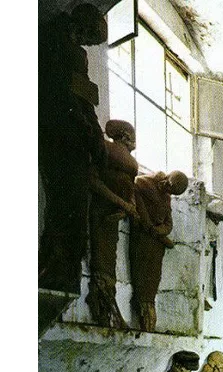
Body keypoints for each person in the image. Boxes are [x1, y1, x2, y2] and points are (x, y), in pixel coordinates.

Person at [39, 4, 108, 293]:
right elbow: (51, 84)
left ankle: (66, 273)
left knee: (76, 206)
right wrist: (78, 118)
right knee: (64, 204)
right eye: (90, 39)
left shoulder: (78, 54)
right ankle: (53, 269)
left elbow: (85, 99)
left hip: (76, 133)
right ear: (84, 24)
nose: (87, 46)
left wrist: (98, 143)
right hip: (59, 128)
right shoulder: (53, 34)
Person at [86, 120, 139, 328]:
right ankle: (104, 309)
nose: (134, 140)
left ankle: (110, 309)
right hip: (103, 210)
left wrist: (128, 206)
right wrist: (122, 203)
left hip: (115, 213)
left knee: (110, 259)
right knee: (102, 260)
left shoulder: (130, 164)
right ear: (124, 135)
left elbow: (130, 188)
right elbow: (93, 180)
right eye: (132, 135)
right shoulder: (106, 149)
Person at [129, 171, 188, 331]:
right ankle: (143, 314)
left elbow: (169, 223)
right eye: (169, 186)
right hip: (143, 240)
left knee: (153, 279)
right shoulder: (143, 182)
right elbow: (138, 202)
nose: (168, 191)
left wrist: (160, 231)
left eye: (172, 192)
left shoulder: (166, 197)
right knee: (141, 276)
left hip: (156, 244)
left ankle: (148, 318)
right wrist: (148, 225)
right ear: (167, 177)